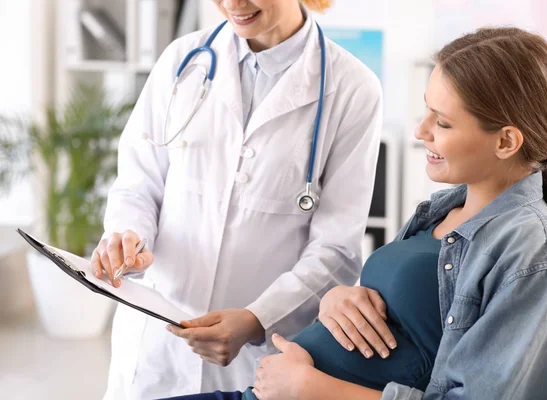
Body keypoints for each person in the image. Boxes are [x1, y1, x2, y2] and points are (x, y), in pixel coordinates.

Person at [163, 27, 547, 400]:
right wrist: (339, 299)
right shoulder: (442, 211)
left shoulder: (536, 247)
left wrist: (315, 388)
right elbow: (401, 319)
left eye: (443, 123)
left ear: (506, 141)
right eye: (426, 109)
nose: (420, 131)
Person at [92, 0, 383, 398]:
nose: (233, 4)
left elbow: (336, 249)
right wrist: (129, 237)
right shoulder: (182, 60)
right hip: (157, 349)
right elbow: (138, 184)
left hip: (258, 362)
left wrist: (256, 319)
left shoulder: (353, 88)